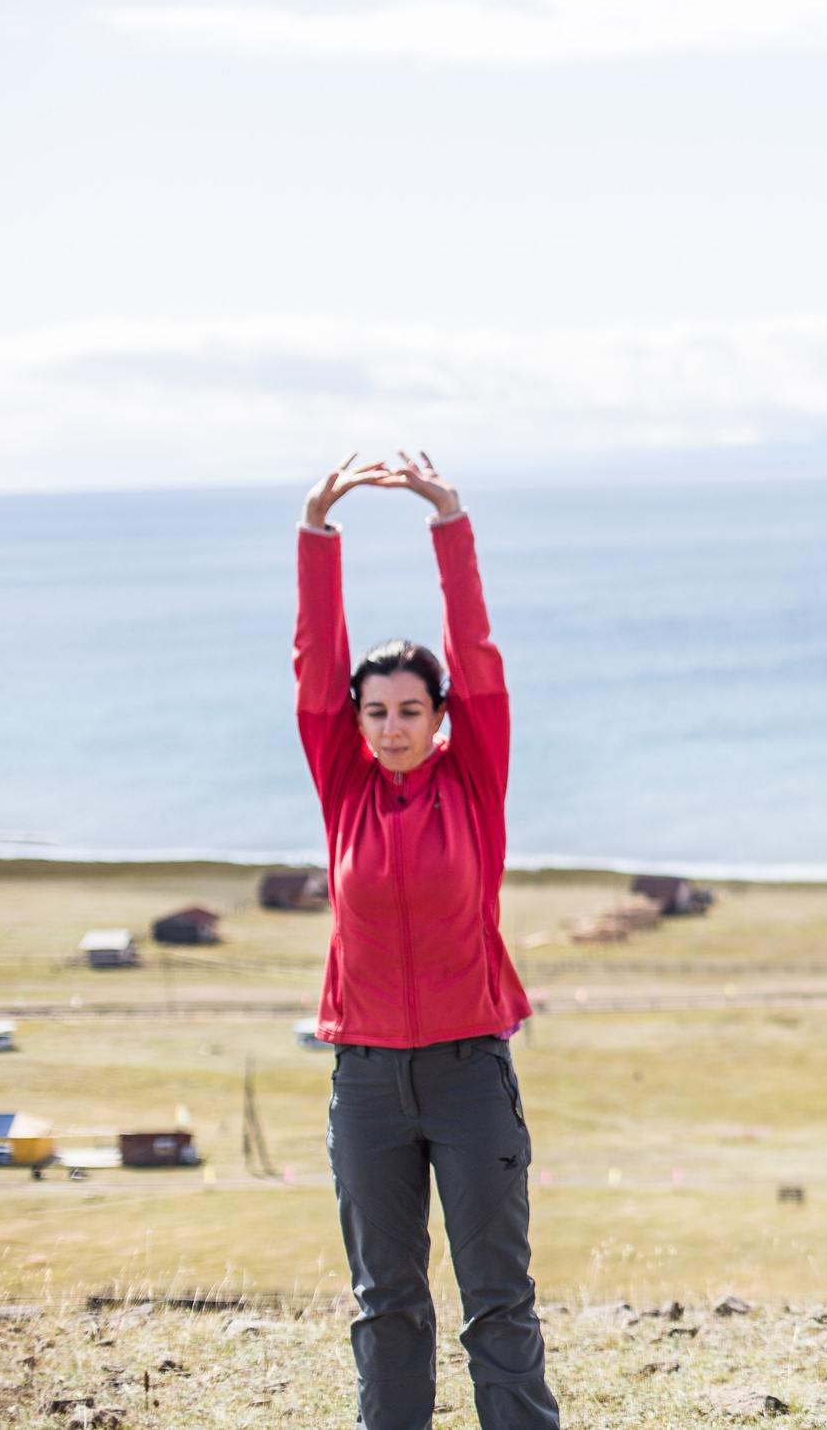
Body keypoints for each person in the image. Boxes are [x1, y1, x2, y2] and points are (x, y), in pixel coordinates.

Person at [297, 451, 557, 1430]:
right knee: (387, 1303)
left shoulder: (473, 782)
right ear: (356, 724)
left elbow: (477, 648)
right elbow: (312, 665)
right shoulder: (344, 787)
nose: (394, 726)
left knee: (498, 1300)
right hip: (364, 1078)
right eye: (378, 713)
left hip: (466, 1070)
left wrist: (449, 522)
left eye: (412, 710)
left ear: (442, 718)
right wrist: (317, 532)